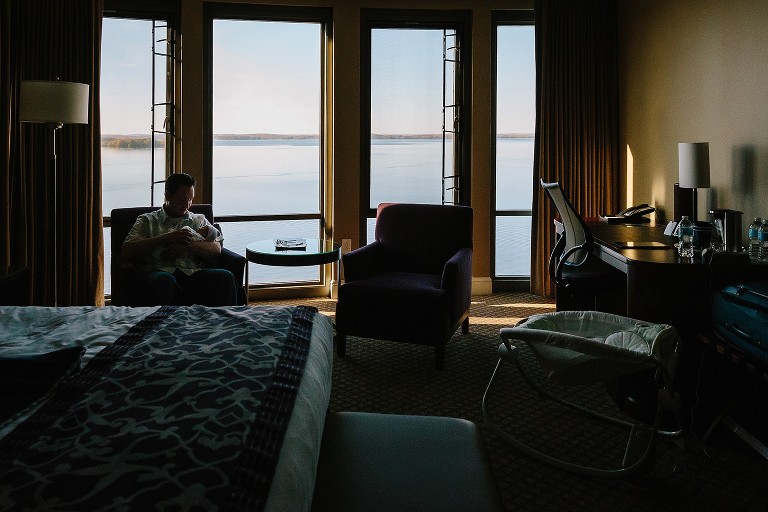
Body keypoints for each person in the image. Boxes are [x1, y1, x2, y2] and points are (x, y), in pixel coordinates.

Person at [121, 173, 239, 306]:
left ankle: (223, 324)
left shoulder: (198, 220)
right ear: (168, 195)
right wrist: (166, 238)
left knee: (225, 277)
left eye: (190, 199)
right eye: (182, 200)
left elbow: (217, 248)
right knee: (164, 280)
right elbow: (126, 251)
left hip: (193, 273)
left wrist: (189, 246)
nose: (187, 205)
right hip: (160, 272)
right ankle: (165, 324)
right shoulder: (147, 220)